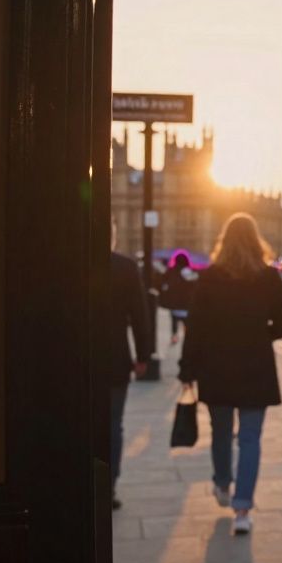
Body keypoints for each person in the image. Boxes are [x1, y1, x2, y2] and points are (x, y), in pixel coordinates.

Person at [178, 213, 282, 535]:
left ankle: (222, 483)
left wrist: (186, 369)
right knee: (250, 438)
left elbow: (195, 328)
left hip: (217, 367)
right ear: (257, 241)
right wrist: (259, 335)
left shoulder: (210, 277)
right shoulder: (269, 277)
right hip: (255, 366)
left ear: (223, 242)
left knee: (220, 432)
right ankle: (242, 508)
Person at [108, 218, 155, 510]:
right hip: (114, 358)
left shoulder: (68, 263)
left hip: (77, 360)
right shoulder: (125, 267)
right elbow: (140, 316)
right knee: (114, 425)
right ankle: (109, 486)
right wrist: (143, 356)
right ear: (112, 234)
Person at [158, 251, 195, 345]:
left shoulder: (171, 271)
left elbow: (164, 284)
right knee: (186, 321)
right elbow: (193, 284)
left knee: (174, 320)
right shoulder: (187, 271)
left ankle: (174, 335)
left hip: (174, 302)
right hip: (186, 302)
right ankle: (188, 337)